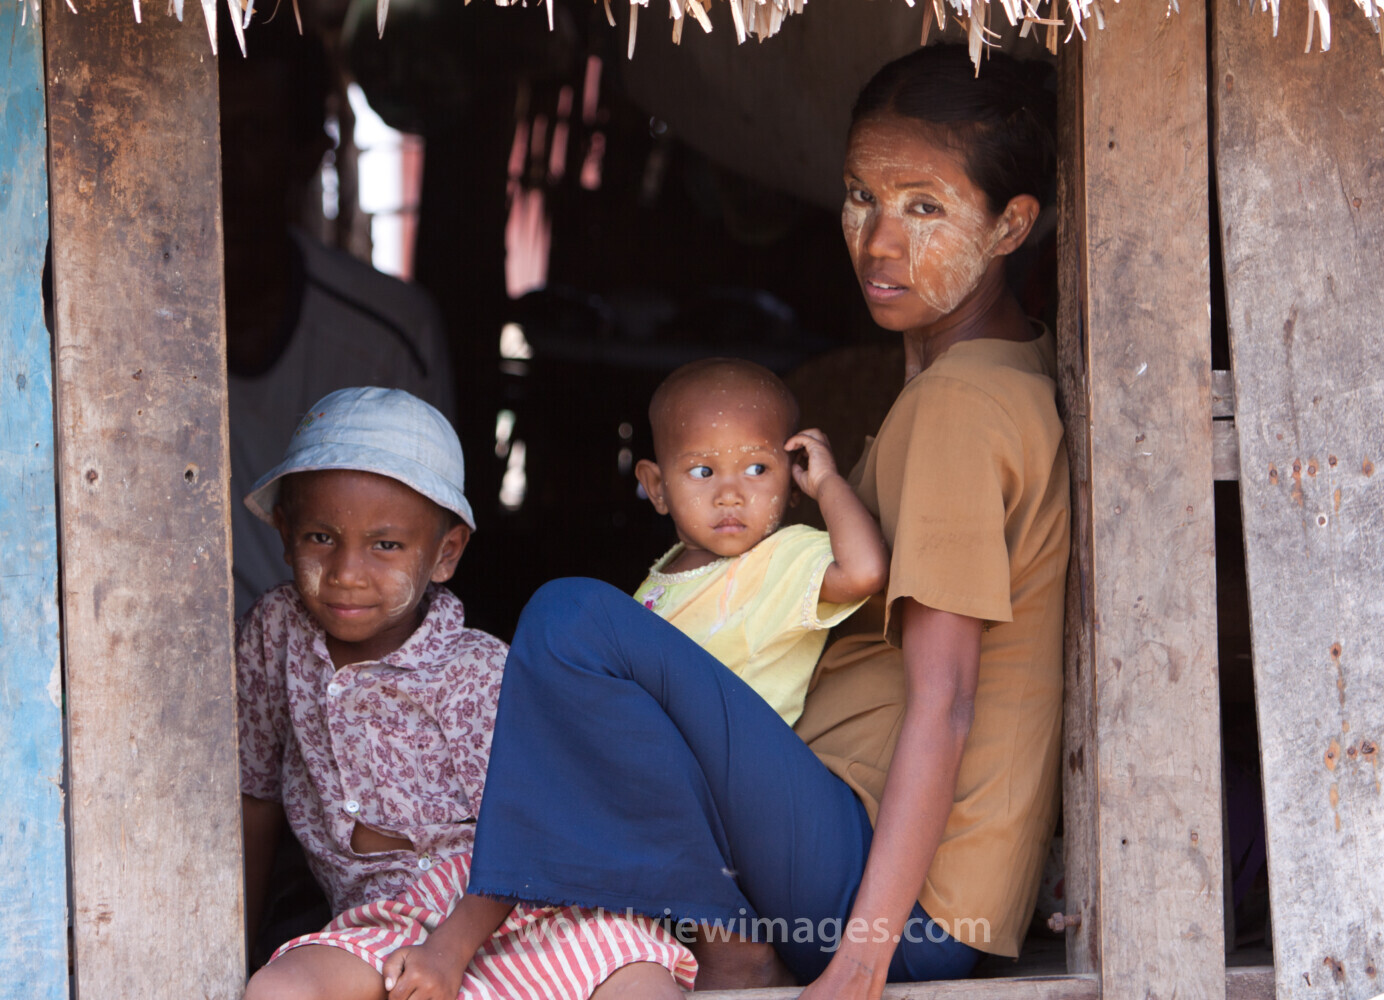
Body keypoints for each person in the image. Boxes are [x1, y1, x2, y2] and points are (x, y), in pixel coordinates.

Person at [391, 41, 1066, 1000]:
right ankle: (714, 928)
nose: (878, 240)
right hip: (848, 857)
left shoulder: (963, 411)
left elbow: (949, 699)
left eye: (925, 207)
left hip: (895, 907)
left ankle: (559, 924)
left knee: (574, 622)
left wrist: (861, 965)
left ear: (1009, 226)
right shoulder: (991, 370)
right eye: (861, 195)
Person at [238, 387, 695, 1000]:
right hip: (386, 919)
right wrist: (234, 939)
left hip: (523, 906)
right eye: (321, 538)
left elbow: (531, 830)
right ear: (284, 530)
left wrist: (449, 954)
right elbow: (257, 794)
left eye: (386, 545)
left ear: (445, 554)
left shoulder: (478, 672)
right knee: (275, 993)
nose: (347, 571)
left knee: (640, 982)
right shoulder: (276, 632)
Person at [220, 18, 456, 618]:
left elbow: (415, 541)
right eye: (203, 130)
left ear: (306, 153)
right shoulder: (92, 324)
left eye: (251, 132)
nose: (219, 163)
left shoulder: (388, 333)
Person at [632, 358, 887, 725]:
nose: (730, 494)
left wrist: (827, 481)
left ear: (792, 479)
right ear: (658, 488)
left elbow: (865, 572)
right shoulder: (667, 568)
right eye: (703, 471)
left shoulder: (781, 560)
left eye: (757, 469)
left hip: (724, 767)